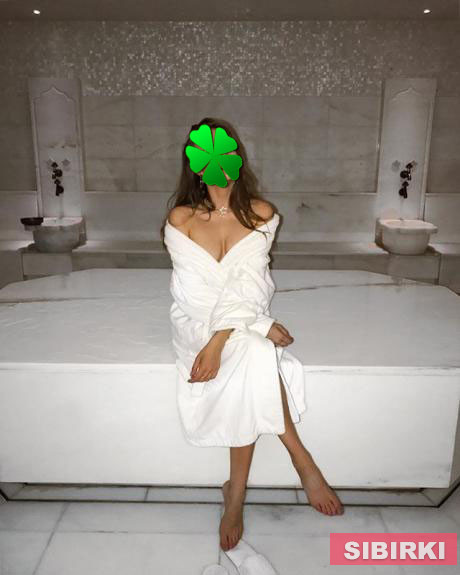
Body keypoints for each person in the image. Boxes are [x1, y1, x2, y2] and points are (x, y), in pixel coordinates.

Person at [161, 118, 344, 552]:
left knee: (253, 352)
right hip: (195, 322)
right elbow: (195, 296)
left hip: (232, 326)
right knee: (254, 347)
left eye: (223, 153)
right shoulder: (182, 219)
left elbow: (253, 285)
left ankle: (237, 494)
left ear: (237, 157)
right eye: (205, 156)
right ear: (194, 165)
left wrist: (229, 336)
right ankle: (302, 461)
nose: (217, 167)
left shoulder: (261, 214)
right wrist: (250, 326)